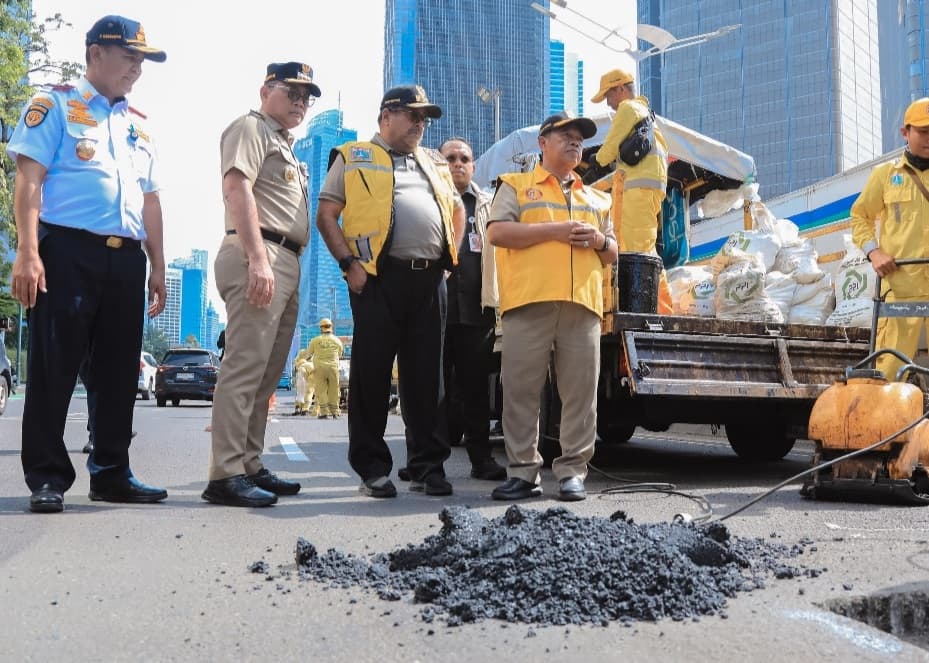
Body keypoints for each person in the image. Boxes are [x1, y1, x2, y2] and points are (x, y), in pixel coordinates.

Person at [8, 15, 169, 513]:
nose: (137, 68)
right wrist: (28, 252)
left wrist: (157, 265)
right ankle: (47, 477)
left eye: (143, 60)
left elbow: (151, 202)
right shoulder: (53, 105)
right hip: (67, 253)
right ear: (96, 52)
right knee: (54, 367)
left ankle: (112, 473)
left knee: (119, 372)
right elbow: (29, 182)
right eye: (129, 56)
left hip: (125, 263)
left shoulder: (136, 124)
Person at [316, 85, 465, 498]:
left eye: (424, 118)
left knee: (426, 379)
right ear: (386, 116)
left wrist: (448, 263)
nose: (420, 123)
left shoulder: (433, 162)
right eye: (412, 115)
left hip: (429, 281)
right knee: (371, 376)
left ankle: (427, 468)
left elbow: (457, 208)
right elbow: (327, 214)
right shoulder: (354, 156)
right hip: (377, 279)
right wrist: (350, 267)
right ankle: (372, 469)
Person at [201, 62, 321, 508]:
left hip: (284, 258)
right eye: (292, 92)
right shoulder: (250, 128)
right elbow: (237, 189)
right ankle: (225, 472)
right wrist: (257, 259)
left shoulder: (284, 144)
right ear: (265, 89)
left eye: (306, 96)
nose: (300, 102)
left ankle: (249, 463)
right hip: (259, 252)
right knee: (245, 367)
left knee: (268, 373)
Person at [487, 111, 618, 502]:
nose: (576, 142)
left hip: (583, 306)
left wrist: (598, 240)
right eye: (566, 136)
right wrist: (556, 231)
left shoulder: (597, 197)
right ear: (543, 143)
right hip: (529, 301)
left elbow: (613, 252)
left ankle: (573, 471)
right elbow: (497, 232)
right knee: (521, 391)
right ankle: (524, 472)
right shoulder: (515, 185)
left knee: (580, 393)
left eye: (580, 138)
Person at [437, 137, 506, 481]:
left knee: (476, 389)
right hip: (434, 310)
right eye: (450, 158)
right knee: (432, 389)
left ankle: (482, 459)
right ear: (440, 163)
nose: (457, 163)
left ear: (474, 166)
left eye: (464, 158)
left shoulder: (488, 204)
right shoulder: (429, 199)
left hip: (476, 311)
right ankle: (427, 463)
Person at [851, 97, 929, 381]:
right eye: (923, 131)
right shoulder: (885, 175)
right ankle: (887, 425)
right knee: (888, 375)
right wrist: (874, 253)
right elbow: (860, 217)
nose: (928, 138)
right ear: (905, 132)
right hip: (900, 288)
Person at [590, 68, 672, 314]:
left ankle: (653, 310)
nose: (609, 103)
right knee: (645, 247)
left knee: (636, 250)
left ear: (621, 89)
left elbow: (610, 148)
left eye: (608, 95)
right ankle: (665, 307)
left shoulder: (628, 109)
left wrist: (592, 166)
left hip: (637, 192)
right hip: (646, 192)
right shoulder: (646, 114)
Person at [307, 318, 344, 419]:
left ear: (321, 328)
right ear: (331, 327)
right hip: (333, 368)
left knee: (321, 390)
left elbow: (309, 354)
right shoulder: (337, 340)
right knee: (334, 390)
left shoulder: (315, 340)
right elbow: (340, 354)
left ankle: (324, 412)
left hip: (319, 368)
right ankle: (335, 412)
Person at [292, 345, 315, 416]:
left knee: (300, 391)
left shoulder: (302, 352)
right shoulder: (315, 354)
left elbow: (295, 363)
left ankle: (298, 408)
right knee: (309, 392)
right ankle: (305, 409)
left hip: (300, 370)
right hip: (311, 372)